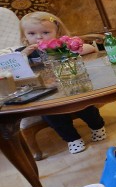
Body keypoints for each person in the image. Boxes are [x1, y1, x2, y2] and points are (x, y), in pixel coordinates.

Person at [20, 11, 106, 155]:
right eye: (31, 34)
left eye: (45, 32)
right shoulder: (24, 52)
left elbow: (90, 48)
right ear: (24, 36)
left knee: (85, 106)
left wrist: (72, 48)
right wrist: (23, 55)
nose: (39, 37)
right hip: (47, 92)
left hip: (71, 85)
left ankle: (97, 126)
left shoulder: (62, 46)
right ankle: (72, 139)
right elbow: (14, 68)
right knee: (51, 115)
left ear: (57, 32)